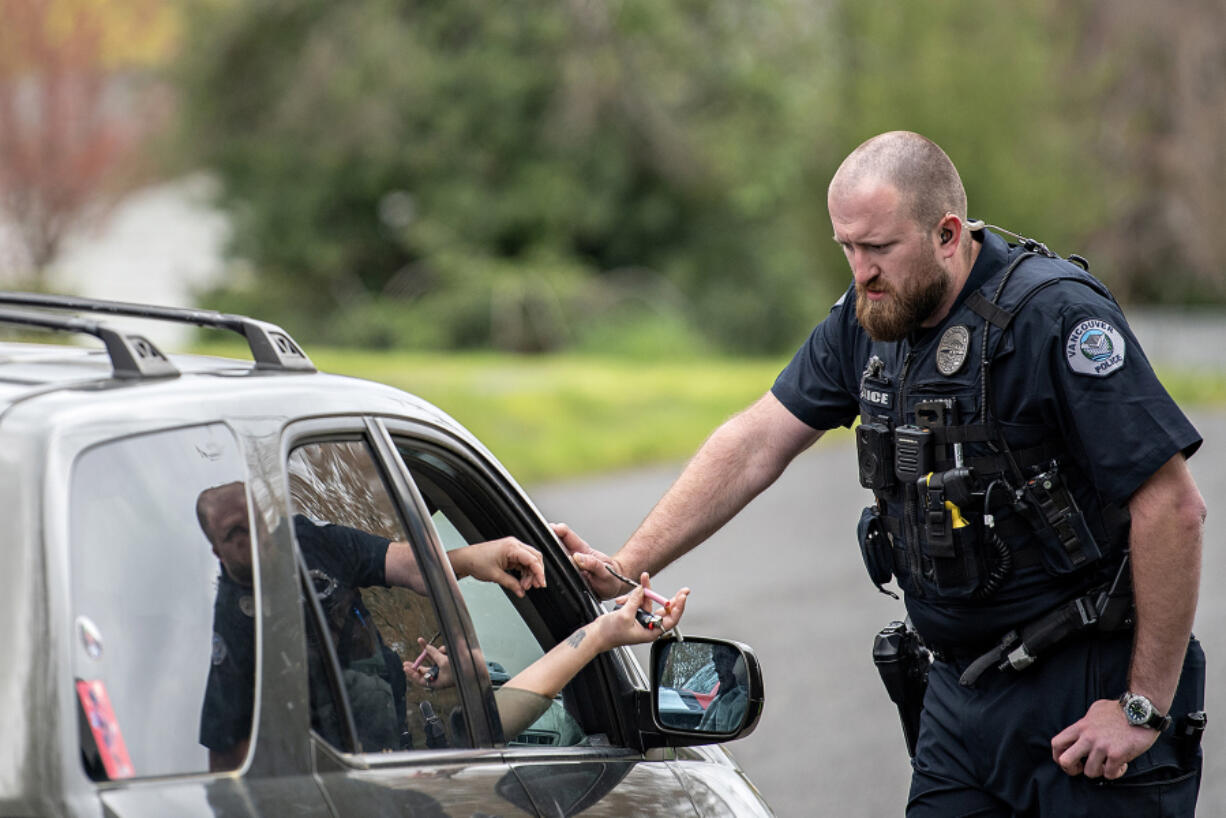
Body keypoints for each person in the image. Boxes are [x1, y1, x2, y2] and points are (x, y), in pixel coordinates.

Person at [555, 131, 1207, 815]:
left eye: (879, 249)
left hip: (1086, 689)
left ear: (948, 233)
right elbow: (756, 442)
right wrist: (626, 565)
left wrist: (1143, 707)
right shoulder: (868, 320)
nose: (860, 270)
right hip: (959, 701)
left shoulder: (1056, 318)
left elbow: (1171, 508)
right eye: (847, 247)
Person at [196, 481, 687, 769]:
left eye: (257, 521)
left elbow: (410, 567)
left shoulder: (307, 542)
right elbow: (229, 766)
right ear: (217, 552)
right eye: (235, 535)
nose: (255, 539)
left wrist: (474, 559)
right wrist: (599, 635)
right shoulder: (233, 634)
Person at [696, 645, 749, 733]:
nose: (716, 668)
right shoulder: (718, 700)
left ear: (740, 662)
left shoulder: (742, 704)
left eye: (722, 658)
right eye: (715, 661)